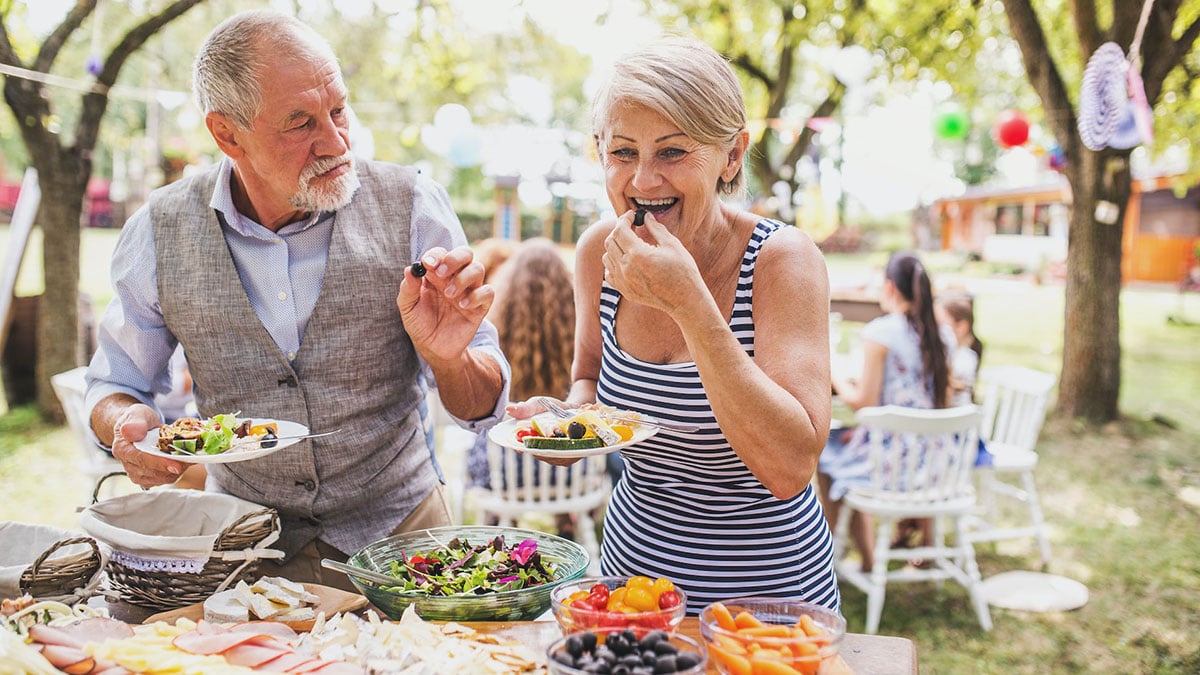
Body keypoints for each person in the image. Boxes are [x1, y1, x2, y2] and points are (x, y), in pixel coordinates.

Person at [83, 10, 509, 591]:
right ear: (227, 133)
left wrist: (450, 357)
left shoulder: (413, 205)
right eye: (301, 122)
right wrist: (124, 425)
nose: (335, 142)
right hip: (240, 545)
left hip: (405, 538)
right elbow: (114, 384)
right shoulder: (159, 229)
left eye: (338, 109)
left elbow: (480, 409)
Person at [508, 37, 839, 614]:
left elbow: (790, 466)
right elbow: (588, 378)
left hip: (767, 602)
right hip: (633, 590)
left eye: (672, 152)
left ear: (732, 155)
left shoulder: (783, 261)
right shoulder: (598, 253)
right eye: (623, 153)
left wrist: (690, 305)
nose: (642, 181)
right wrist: (567, 422)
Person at [818, 250, 950, 572]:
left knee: (826, 454)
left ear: (889, 288)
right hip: (939, 460)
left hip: (893, 463)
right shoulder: (941, 333)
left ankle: (863, 557)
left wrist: (833, 374)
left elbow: (863, 401)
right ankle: (927, 549)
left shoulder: (881, 332)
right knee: (845, 443)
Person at [465, 238, 585, 537]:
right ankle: (565, 519)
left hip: (506, 469)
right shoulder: (580, 331)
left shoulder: (496, 330)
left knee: (484, 442)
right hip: (572, 471)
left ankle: (500, 521)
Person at [935, 294, 983, 406]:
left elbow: (953, 386)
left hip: (958, 418)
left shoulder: (966, 357)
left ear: (961, 327)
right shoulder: (954, 354)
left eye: (940, 324)